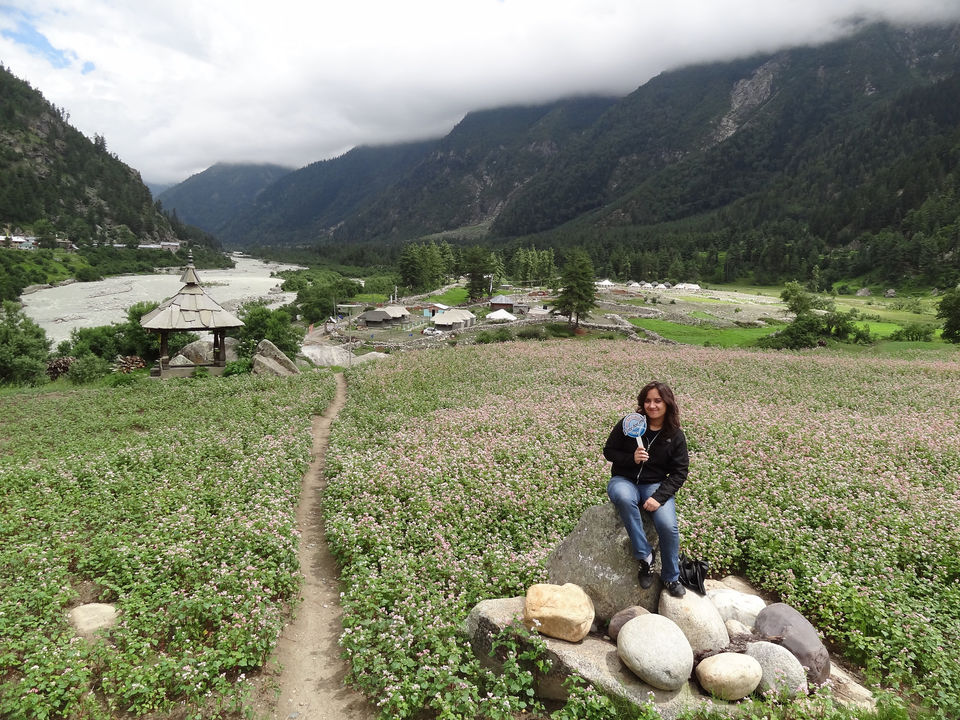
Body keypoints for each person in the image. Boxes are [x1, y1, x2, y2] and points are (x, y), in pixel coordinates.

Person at [604, 380, 689, 597]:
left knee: (667, 526)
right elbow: (609, 451)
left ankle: (671, 577)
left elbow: (680, 473)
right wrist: (631, 458)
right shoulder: (630, 424)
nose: (652, 405)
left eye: (658, 401)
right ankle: (645, 557)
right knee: (623, 497)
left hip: (655, 485)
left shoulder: (675, 435)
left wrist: (658, 497)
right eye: (648, 401)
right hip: (624, 479)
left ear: (667, 403)